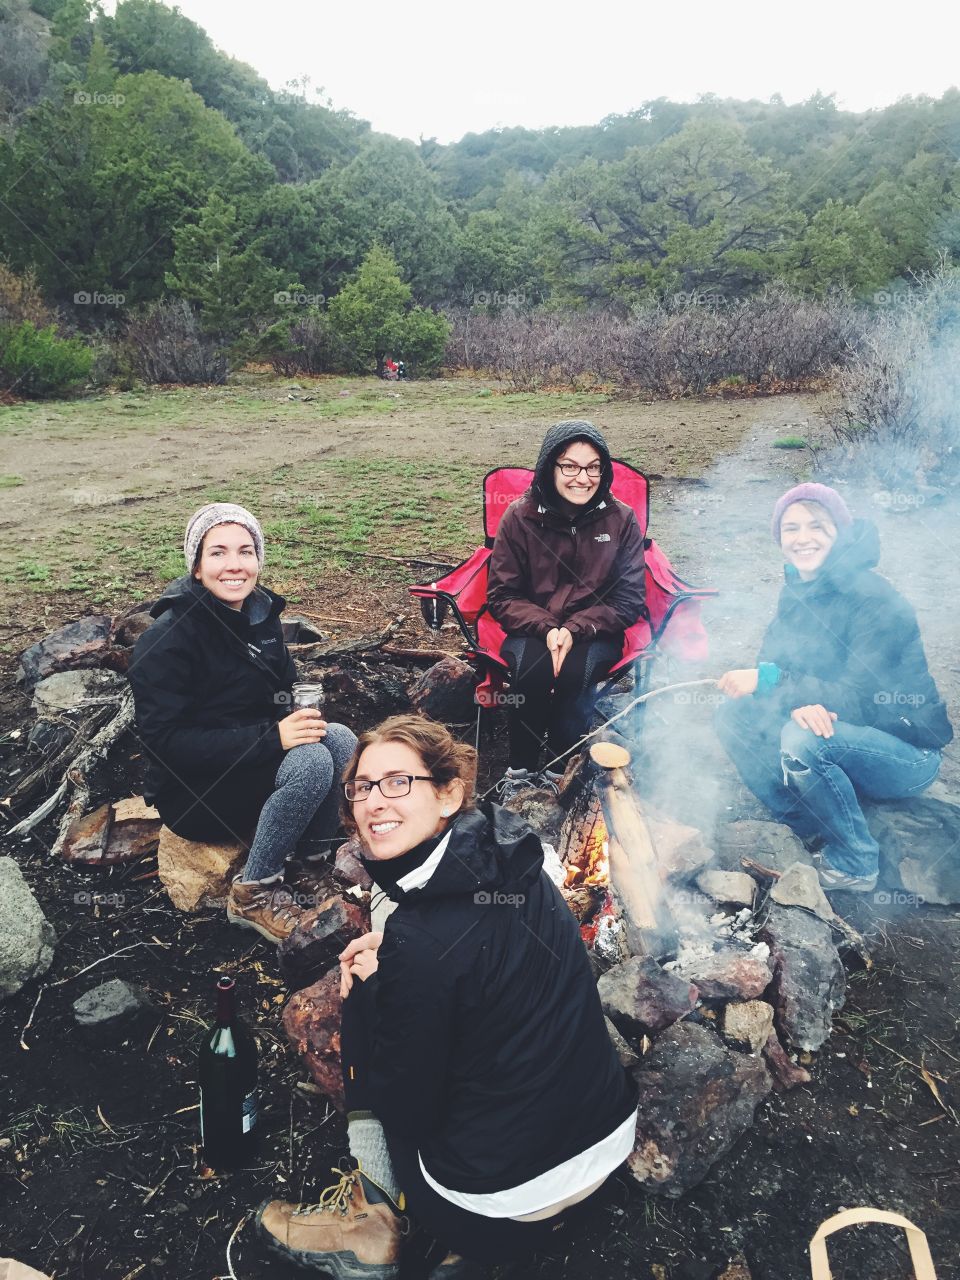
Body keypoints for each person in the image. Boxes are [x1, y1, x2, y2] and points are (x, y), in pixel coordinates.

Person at [256, 715, 638, 1278]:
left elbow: (408, 1107)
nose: (373, 802)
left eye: (397, 782)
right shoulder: (511, 849)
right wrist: (400, 960)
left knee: (359, 995)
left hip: (501, 1203)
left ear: (448, 792)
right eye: (362, 787)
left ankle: (372, 1220)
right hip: (605, 1140)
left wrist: (382, 989)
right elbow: (473, 961)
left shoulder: (421, 943)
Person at [129, 503, 357, 941]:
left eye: (245, 551)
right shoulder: (167, 640)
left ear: (258, 559)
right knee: (310, 762)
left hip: (250, 763)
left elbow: (282, 690)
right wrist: (274, 739)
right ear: (196, 567)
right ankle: (254, 890)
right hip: (194, 792)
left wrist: (294, 715)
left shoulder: (260, 616)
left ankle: (309, 864)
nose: (234, 565)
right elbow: (166, 744)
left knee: (341, 740)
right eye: (217, 553)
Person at [716, 483, 952, 893]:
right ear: (779, 539)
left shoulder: (873, 598)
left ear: (839, 531)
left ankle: (856, 861)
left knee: (803, 739)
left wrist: (780, 688)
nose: (802, 538)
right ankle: (806, 826)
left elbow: (862, 697)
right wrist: (785, 694)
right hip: (846, 732)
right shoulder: (798, 588)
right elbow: (775, 663)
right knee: (734, 714)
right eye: (791, 528)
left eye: (816, 526)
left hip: (906, 753)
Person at [486, 420, 647, 801]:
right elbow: (502, 594)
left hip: (596, 630)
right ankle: (521, 770)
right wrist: (547, 628)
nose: (583, 478)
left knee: (577, 672)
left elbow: (629, 599)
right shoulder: (519, 517)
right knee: (532, 670)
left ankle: (560, 769)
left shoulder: (621, 519)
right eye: (570, 466)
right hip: (530, 627)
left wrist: (575, 628)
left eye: (593, 467)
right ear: (549, 467)